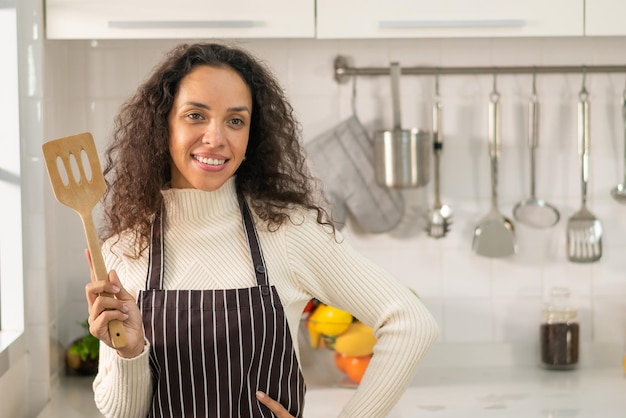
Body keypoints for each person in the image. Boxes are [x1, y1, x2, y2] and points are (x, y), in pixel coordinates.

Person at [85, 42, 438, 418]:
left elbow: (411, 322)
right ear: (163, 124)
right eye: (195, 116)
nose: (216, 138)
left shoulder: (288, 232)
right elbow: (123, 414)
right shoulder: (123, 250)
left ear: (251, 136)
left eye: (235, 121)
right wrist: (130, 353)